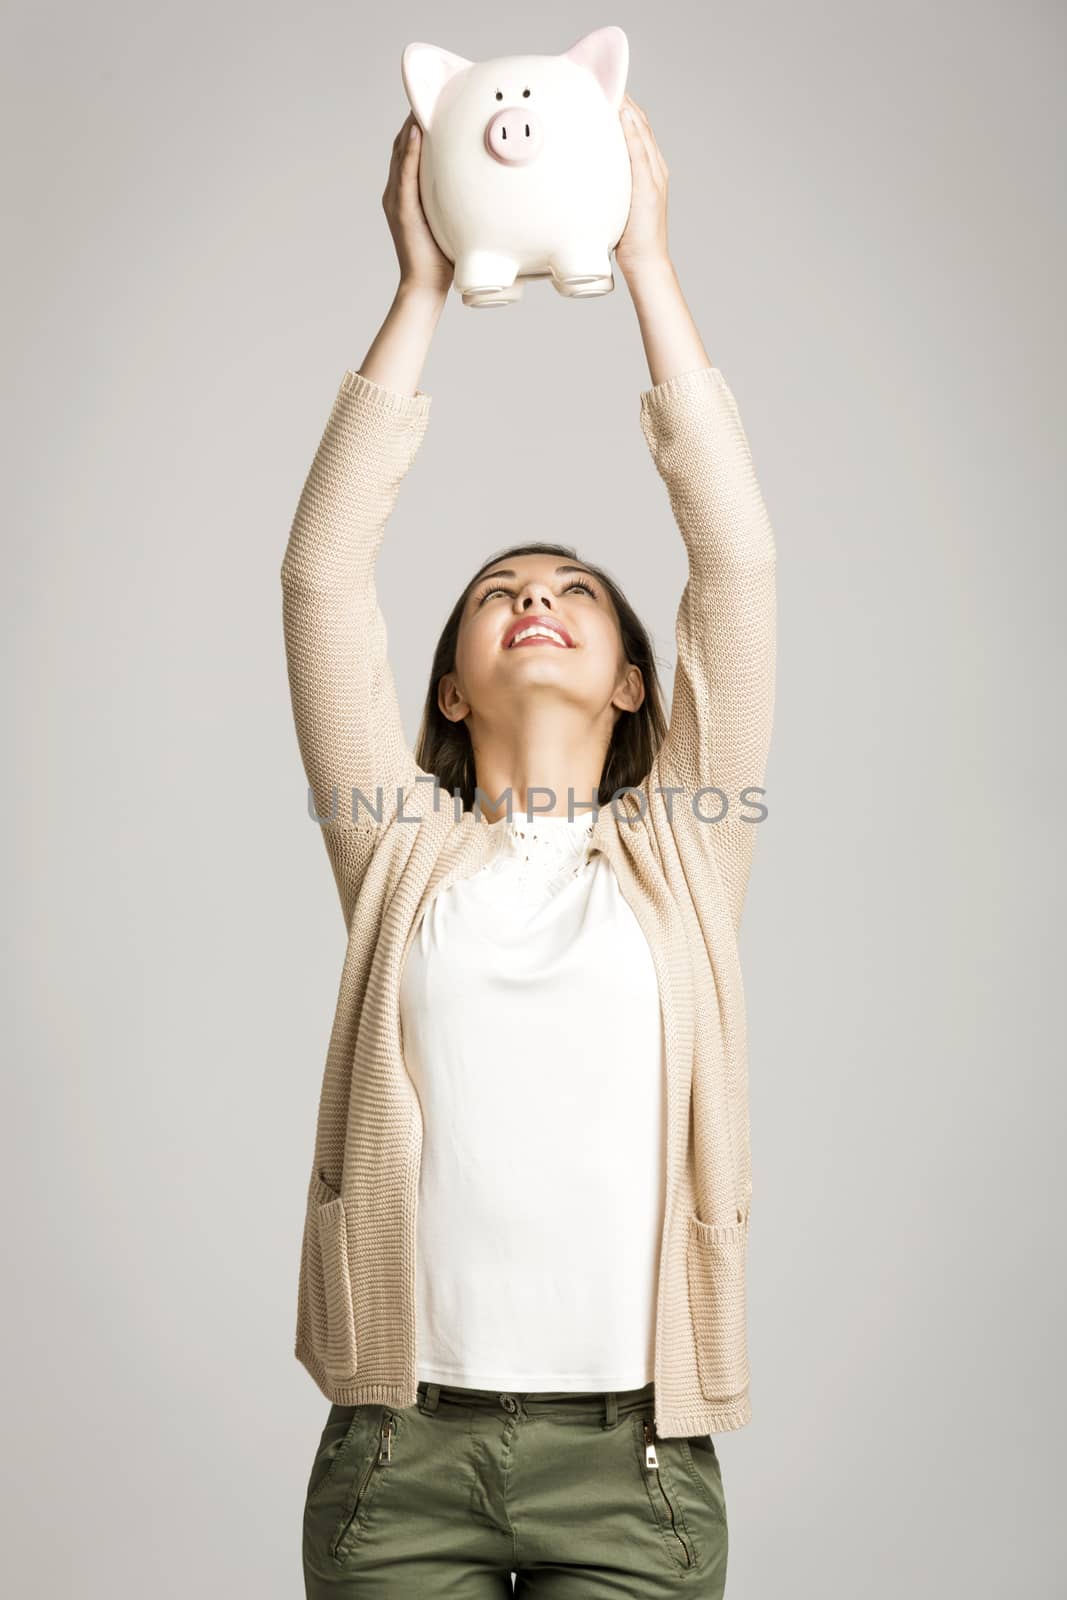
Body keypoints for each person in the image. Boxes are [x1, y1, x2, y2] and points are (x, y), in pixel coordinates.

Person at [282, 91, 777, 1599]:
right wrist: (424, 288)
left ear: (636, 674)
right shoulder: (399, 853)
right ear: (449, 680)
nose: (537, 597)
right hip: (401, 1461)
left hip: (633, 1471)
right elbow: (321, 577)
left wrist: (649, 270)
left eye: (573, 586)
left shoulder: (683, 850)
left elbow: (736, 568)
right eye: (501, 588)